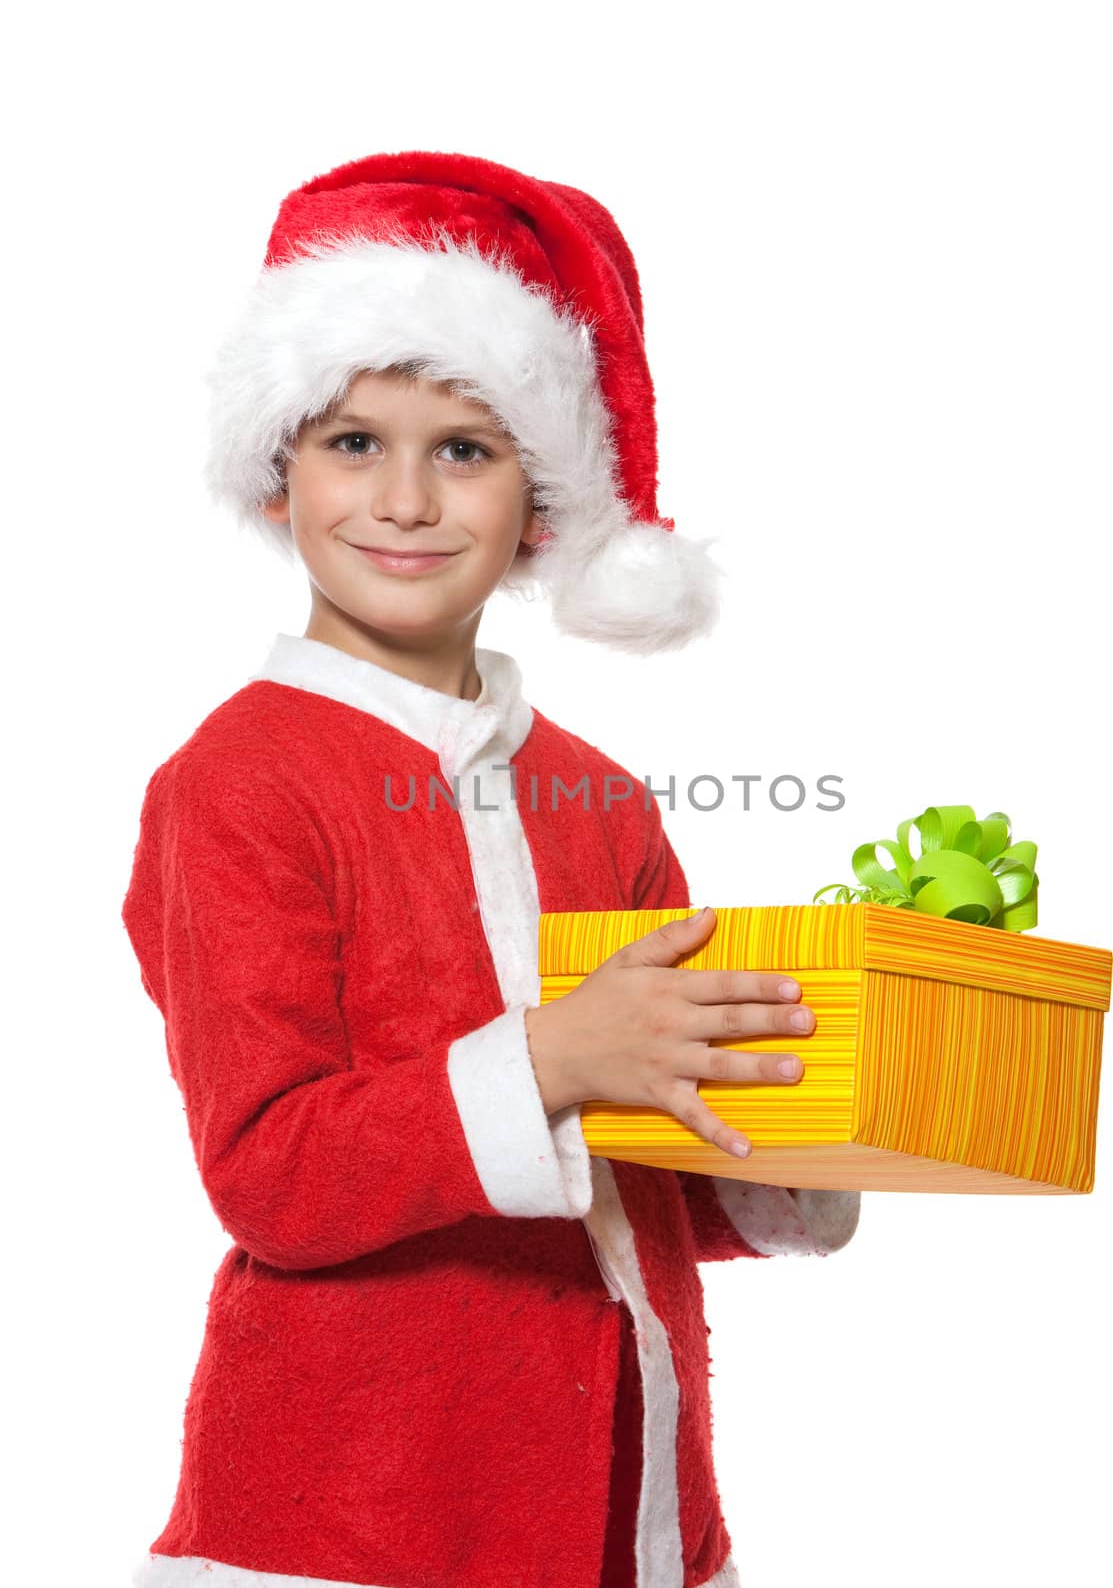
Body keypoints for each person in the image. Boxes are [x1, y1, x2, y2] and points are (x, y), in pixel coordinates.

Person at [120, 149, 862, 1588]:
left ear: (542, 501)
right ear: (277, 478)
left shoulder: (600, 799)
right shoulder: (234, 787)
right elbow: (271, 1177)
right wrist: (545, 1061)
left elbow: (647, 1178)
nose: (404, 497)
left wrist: (810, 1114)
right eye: (351, 443)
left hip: (625, 1493)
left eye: (463, 448)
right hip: (357, 1510)